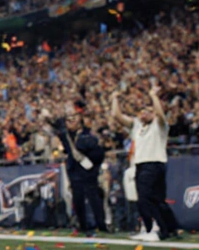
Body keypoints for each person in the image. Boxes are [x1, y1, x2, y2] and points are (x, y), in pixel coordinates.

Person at [110, 83, 179, 241]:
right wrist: (115, 98)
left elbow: (161, 115)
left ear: (153, 113)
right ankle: (171, 229)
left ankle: (151, 229)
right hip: (143, 165)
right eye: (141, 111)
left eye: (147, 111)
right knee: (158, 200)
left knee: (145, 199)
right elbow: (116, 116)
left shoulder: (159, 125)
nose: (143, 114)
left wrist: (154, 96)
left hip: (153, 163)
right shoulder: (137, 125)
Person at [45, 103, 108, 236]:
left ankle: (101, 224)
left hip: (88, 170)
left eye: (73, 119)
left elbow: (92, 149)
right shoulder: (67, 135)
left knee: (94, 198)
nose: (70, 122)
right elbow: (56, 125)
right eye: (68, 120)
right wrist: (51, 116)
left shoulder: (87, 134)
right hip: (75, 170)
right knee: (77, 199)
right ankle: (83, 225)